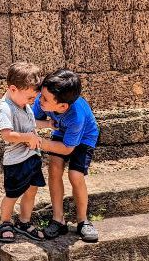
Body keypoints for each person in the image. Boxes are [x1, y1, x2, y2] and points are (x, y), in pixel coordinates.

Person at [33, 68, 99, 243]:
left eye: (45, 99)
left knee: (75, 175)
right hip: (62, 132)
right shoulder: (43, 101)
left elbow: (68, 149)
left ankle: (83, 220)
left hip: (85, 137)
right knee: (54, 169)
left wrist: (42, 143)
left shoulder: (76, 116)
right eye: (41, 95)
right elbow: (31, 120)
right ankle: (58, 219)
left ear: (62, 106)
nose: (40, 100)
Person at [0, 61, 46, 242]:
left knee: (32, 189)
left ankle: (24, 221)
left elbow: (30, 123)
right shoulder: (5, 108)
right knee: (13, 194)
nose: (33, 102)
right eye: (30, 98)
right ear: (13, 89)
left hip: (32, 156)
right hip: (16, 161)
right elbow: (7, 135)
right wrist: (28, 138)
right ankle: (5, 222)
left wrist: (47, 124)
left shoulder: (22, 103)